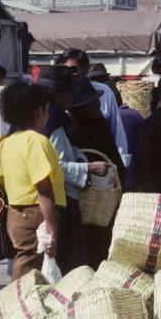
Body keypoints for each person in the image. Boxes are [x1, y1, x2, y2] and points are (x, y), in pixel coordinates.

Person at [0, 80, 65, 280]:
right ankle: (16, 307)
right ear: (39, 111)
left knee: (25, 260)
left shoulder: (8, 143)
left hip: (15, 214)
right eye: (46, 110)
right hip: (35, 215)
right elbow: (44, 190)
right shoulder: (37, 142)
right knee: (29, 268)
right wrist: (52, 229)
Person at [37, 65, 106, 274]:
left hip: (35, 200)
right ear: (57, 94)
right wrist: (88, 167)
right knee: (68, 260)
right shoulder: (54, 121)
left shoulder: (33, 120)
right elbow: (56, 166)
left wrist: (76, 154)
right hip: (59, 199)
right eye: (69, 92)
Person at [64, 78, 125, 269]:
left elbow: (113, 157)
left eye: (96, 101)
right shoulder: (69, 131)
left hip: (104, 196)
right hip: (83, 197)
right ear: (78, 109)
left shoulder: (100, 125)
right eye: (90, 103)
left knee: (103, 243)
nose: (97, 106)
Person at [58, 48, 130, 169]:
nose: (68, 74)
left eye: (73, 70)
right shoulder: (59, 96)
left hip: (102, 164)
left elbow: (116, 130)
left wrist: (121, 164)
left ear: (85, 69)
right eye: (64, 70)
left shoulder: (105, 92)